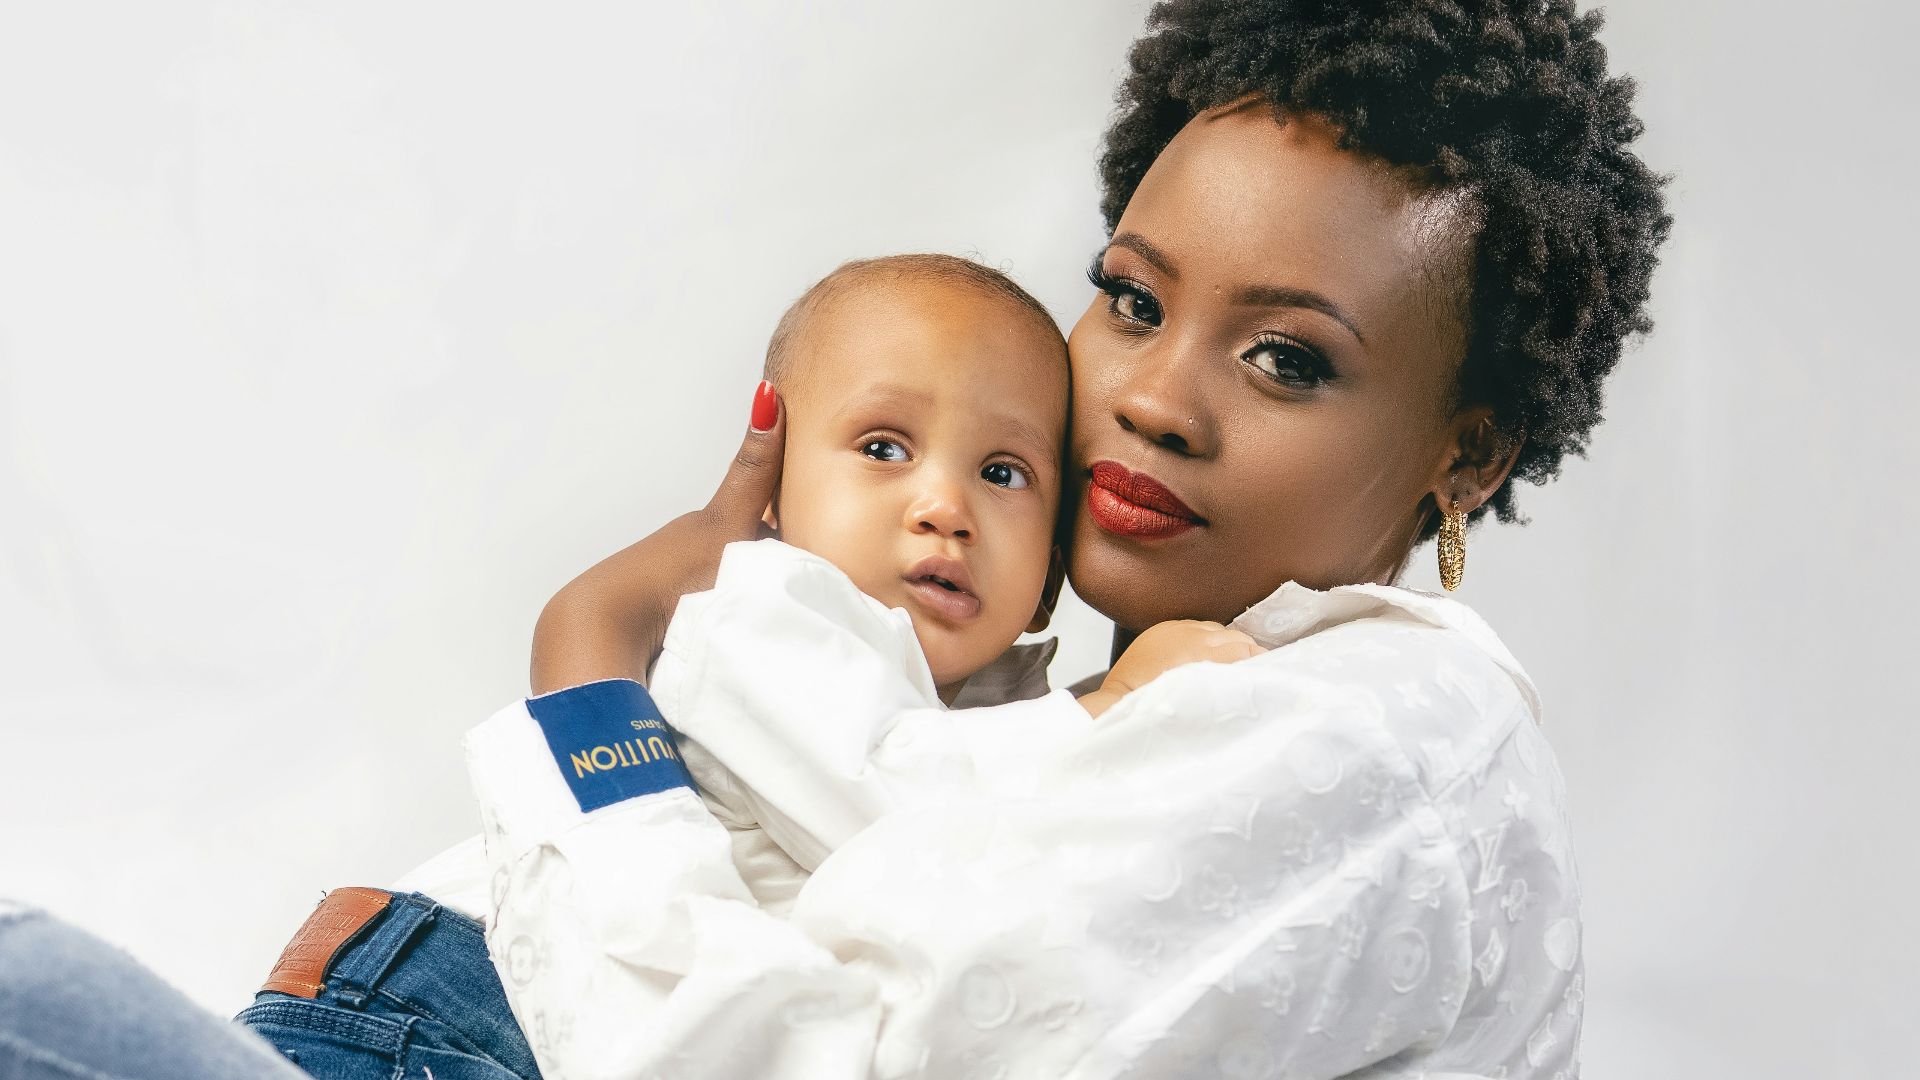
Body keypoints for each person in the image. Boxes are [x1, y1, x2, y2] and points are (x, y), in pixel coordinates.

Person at [471, 1, 1668, 1077]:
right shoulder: (1124, 696)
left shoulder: (1372, 735)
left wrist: (588, 670)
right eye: (1135, 300)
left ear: (1468, 454)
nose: (1152, 399)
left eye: (1286, 360)